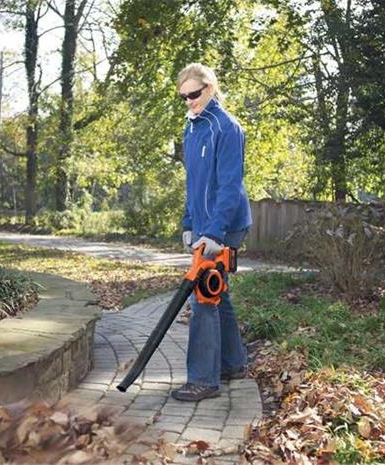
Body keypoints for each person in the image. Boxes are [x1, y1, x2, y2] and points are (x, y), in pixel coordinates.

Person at [171, 63, 252, 402]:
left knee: (204, 296)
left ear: (210, 88)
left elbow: (230, 186)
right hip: (204, 226)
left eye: (194, 94)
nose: (189, 101)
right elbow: (194, 183)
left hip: (226, 226)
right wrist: (189, 222)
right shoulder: (191, 129)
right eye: (184, 96)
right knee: (220, 293)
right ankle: (233, 364)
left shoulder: (227, 127)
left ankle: (203, 380)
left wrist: (215, 234)